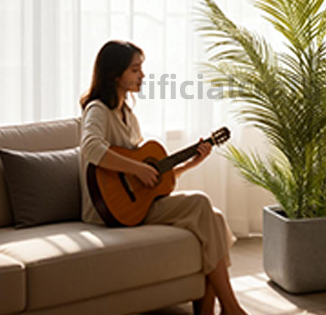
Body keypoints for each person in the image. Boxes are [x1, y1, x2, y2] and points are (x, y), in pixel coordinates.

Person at [79, 40, 247, 315]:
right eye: (135, 70)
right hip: (106, 211)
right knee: (202, 203)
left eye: (141, 69)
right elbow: (91, 147)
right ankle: (232, 308)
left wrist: (191, 163)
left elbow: (152, 182)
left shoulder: (129, 117)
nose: (142, 76)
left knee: (214, 219)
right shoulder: (98, 109)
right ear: (115, 74)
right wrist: (137, 169)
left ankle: (208, 310)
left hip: (136, 206)